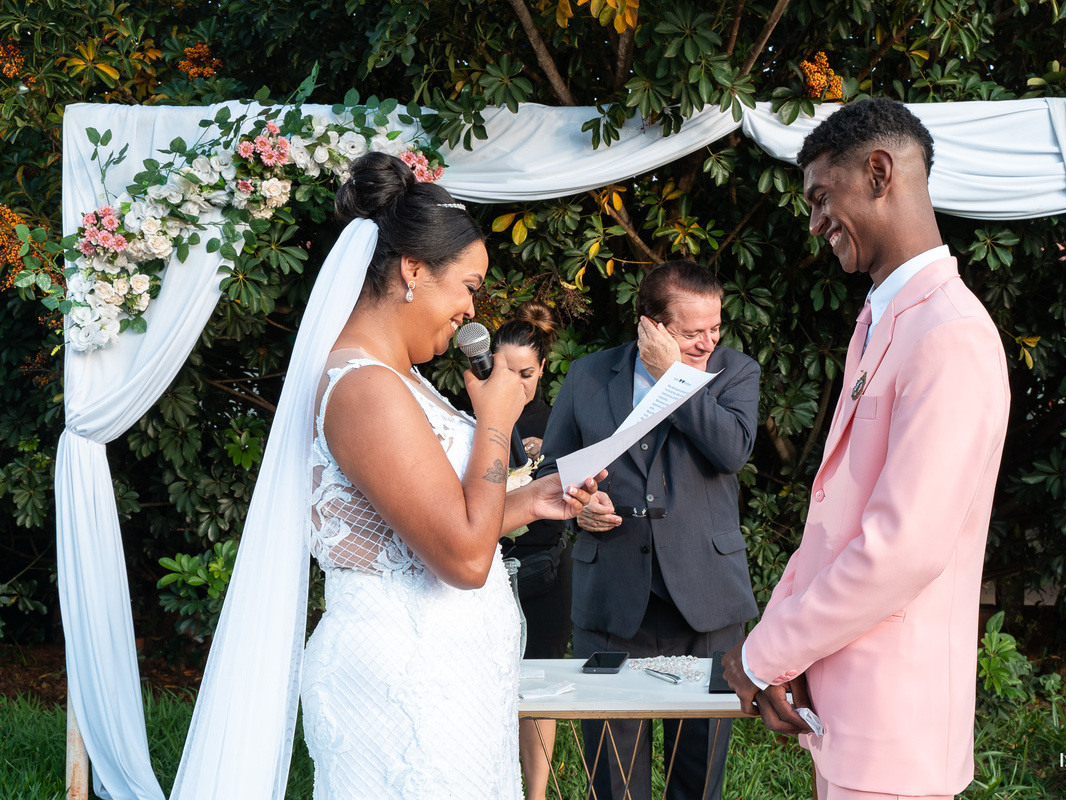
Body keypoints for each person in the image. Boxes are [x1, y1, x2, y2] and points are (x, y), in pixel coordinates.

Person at [722, 98, 1011, 800]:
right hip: (848, 719)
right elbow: (833, 521)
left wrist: (764, 655)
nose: (815, 220)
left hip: (897, 732)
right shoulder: (884, 320)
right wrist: (783, 645)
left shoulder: (949, 333)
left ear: (880, 172)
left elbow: (902, 546)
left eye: (822, 195)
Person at [299, 152, 601, 799]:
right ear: (413, 271)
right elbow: (464, 559)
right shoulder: (364, 388)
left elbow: (439, 520)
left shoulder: (399, 377)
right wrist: (495, 418)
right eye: (467, 286)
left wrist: (532, 500)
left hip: (447, 689)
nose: (471, 310)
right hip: (403, 695)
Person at [539, 260, 761, 800]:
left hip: (705, 601)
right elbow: (551, 468)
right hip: (613, 599)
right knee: (613, 779)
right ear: (650, 326)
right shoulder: (589, 375)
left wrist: (673, 377)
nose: (709, 342)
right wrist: (580, 502)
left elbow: (731, 450)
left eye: (716, 327)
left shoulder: (735, 371)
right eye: (692, 333)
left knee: (698, 776)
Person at [492, 301, 573, 800]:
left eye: (526, 373)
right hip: (487, 570)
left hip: (548, 567)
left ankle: (536, 794)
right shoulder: (469, 420)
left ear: (542, 369)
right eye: (504, 370)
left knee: (541, 681)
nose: (517, 384)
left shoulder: (564, 419)